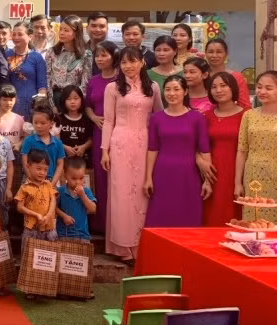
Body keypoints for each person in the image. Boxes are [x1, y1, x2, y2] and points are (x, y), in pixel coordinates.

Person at [101, 47, 163, 264]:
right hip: (119, 143)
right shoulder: (113, 88)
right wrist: (105, 150)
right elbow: (108, 120)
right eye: (124, 63)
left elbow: (159, 117)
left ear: (142, 62)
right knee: (121, 193)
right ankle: (122, 246)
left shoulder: (153, 87)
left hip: (145, 144)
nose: (128, 66)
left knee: (142, 193)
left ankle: (141, 244)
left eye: (132, 61)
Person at [144, 75, 213, 227]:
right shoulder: (157, 118)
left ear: (185, 91)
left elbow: (205, 150)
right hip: (162, 173)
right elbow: (152, 149)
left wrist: (208, 181)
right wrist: (148, 177)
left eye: (176, 89)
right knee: (160, 215)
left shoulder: (197, 118)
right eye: (167, 89)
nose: (172, 93)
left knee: (188, 216)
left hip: (189, 175)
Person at [203, 72, 247, 226]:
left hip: (237, 172)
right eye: (214, 87)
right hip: (211, 173)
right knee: (211, 216)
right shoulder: (206, 116)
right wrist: (200, 161)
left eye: (223, 85)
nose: (218, 90)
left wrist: (239, 181)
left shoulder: (247, 115)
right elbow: (198, 145)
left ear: (233, 88)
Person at [85, 41, 118, 234]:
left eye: (104, 55)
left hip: (119, 133)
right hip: (99, 133)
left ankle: (117, 223)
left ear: (114, 57)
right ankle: (100, 224)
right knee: (100, 176)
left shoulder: (122, 80)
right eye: (98, 56)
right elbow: (87, 105)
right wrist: (94, 118)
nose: (100, 59)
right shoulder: (93, 80)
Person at [235, 71, 277, 223]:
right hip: (253, 177)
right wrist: (237, 183)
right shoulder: (249, 115)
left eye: (268, 88)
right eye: (259, 87)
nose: (262, 91)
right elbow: (242, 150)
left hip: (275, 174)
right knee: (255, 222)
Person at [45, 15, 92, 110]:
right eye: (61, 29)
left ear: (76, 33)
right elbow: (48, 78)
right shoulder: (52, 52)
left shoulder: (86, 54)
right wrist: (52, 104)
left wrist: (77, 102)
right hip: (56, 98)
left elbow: (85, 82)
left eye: (66, 30)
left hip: (75, 100)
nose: (61, 33)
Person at [6, 21, 47, 122]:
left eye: (20, 34)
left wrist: (39, 107)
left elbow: (42, 86)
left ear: (30, 36)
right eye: (14, 34)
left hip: (32, 105)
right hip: (10, 104)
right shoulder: (6, 55)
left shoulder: (37, 57)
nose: (16, 37)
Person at [16, 149, 57, 242]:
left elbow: (53, 201)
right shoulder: (24, 187)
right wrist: (36, 215)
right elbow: (19, 207)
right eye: (38, 169)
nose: (42, 172)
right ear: (28, 166)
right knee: (29, 254)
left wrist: (48, 216)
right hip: (31, 228)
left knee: (49, 254)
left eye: (45, 169)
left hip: (49, 227)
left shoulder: (48, 185)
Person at [21, 103, 66, 184]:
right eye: (35, 122)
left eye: (42, 123)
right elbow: (25, 162)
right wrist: (32, 180)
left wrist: (53, 183)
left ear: (51, 124)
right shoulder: (28, 141)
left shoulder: (58, 143)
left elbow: (60, 164)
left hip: (51, 180)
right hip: (31, 180)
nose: (38, 126)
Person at [56, 158, 96, 243]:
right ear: (65, 175)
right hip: (63, 234)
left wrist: (82, 195)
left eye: (81, 178)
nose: (78, 182)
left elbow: (93, 209)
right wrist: (63, 216)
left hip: (82, 235)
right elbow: (53, 208)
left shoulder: (86, 191)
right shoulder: (60, 191)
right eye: (74, 178)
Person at [205, 39, 251, 109]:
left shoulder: (236, 77)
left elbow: (244, 105)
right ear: (205, 53)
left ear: (226, 54)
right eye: (211, 52)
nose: (214, 55)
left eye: (219, 52)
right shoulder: (201, 76)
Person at [56, 85, 93, 162]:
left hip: (81, 160)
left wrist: (83, 147)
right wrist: (65, 147)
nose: (72, 102)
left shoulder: (86, 119)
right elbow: (53, 139)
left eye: (76, 98)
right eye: (68, 99)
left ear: (81, 100)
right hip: (61, 159)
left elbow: (91, 139)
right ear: (63, 101)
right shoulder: (58, 119)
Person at [0, 85, 24, 151]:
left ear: (15, 100)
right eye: (4, 100)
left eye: (11, 100)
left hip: (15, 154)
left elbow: (24, 137)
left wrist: (19, 144)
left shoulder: (19, 119)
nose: (8, 103)